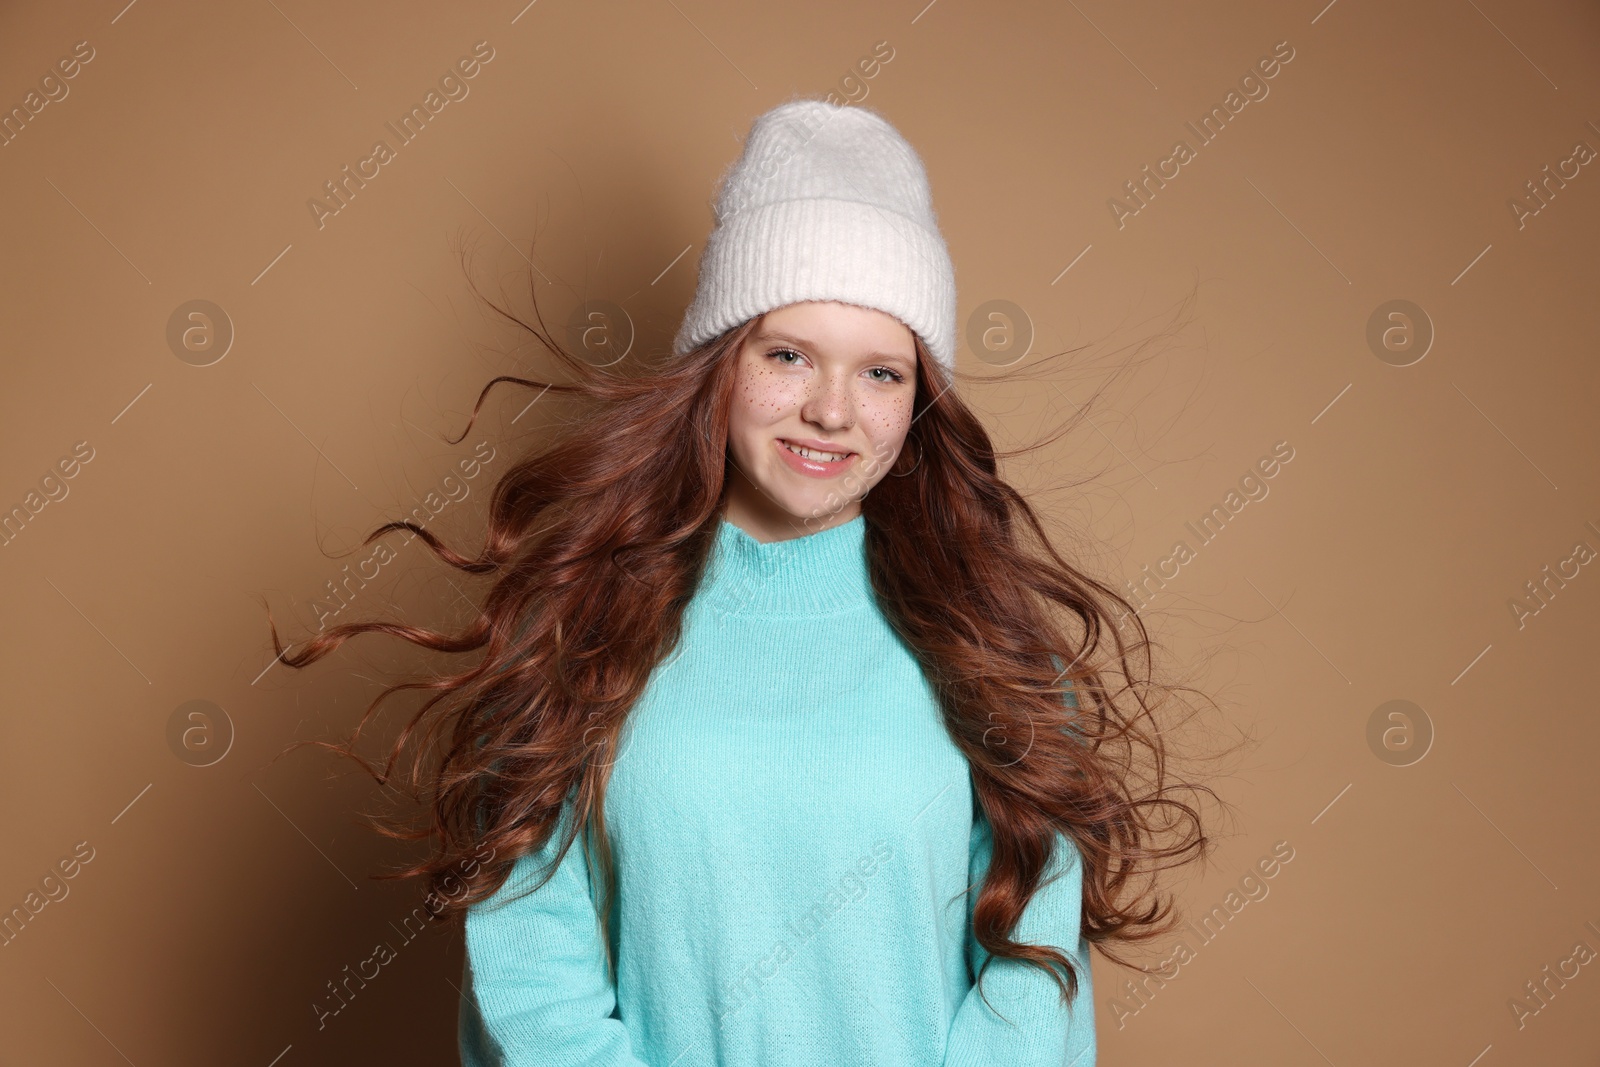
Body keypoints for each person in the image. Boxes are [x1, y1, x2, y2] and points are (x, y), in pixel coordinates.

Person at [272, 96, 1213, 1067]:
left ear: (921, 399)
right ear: (718, 364)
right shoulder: (582, 621)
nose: (831, 410)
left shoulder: (988, 642)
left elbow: (1034, 961)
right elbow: (528, 948)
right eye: (789, 354)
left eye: (882, 373)